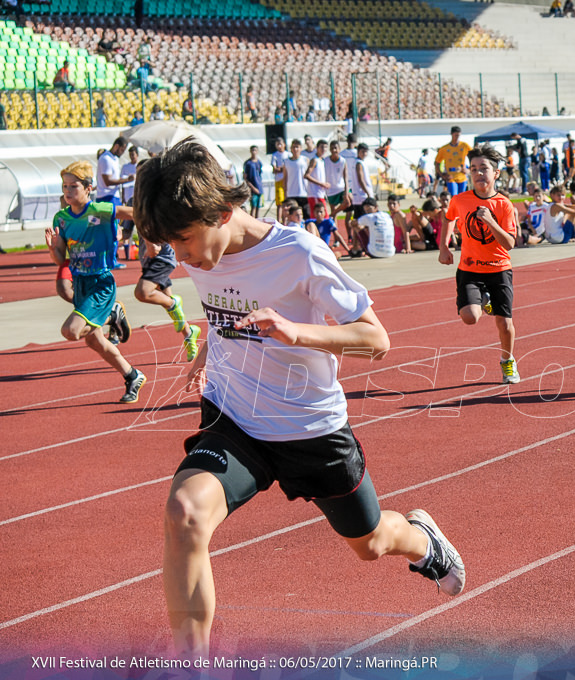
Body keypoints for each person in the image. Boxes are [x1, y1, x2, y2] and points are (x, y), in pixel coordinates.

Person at [132, 139, 465, 658]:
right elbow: (226, 304)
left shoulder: (299, 253)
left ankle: (422, 540)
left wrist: (296, 332)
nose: (183, 257)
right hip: (234, 415)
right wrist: (211, 345)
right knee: (186, 513)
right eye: (173, 246)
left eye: (186, 241)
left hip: (309, 427)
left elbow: (376, 340)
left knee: (371, 544)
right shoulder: (200, 249)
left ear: (223, 212)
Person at [47, 160, 146, 402]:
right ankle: (133, 376)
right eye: (65, 186)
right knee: (94, 340)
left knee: (70, 331)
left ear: (88, 188)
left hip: (101, 282)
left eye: (74, 186)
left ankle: (112, 313)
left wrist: (123, 232)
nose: (68, 191)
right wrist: (52, 248)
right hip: (80, 283)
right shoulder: (61, 219)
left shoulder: (101, 210)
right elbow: (61, 258)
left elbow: (134, 214)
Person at [438, 145, 520, 384]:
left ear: (496, 173)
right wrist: (444, 246)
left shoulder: (504, 205)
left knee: (505, 324)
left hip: (499, 269)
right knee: (470, 317)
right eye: (473, 169)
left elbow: (509, 243)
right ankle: (484, 300)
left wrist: (490, 221)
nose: (478, 173)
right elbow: (448, 217)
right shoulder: (460, 200)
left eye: (484, 168)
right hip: (470, 269)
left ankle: (508, 361)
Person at [135, 233, 202, 361]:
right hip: (148, 258)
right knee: (168, 303)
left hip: (162, 256)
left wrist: (178, 249)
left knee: (143, 292)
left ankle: (173, 303)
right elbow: (125, 228)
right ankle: (189, 332)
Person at [97, 136, 133, 268]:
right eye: (122, 149)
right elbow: (108, 181)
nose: (123, 152)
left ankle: (111, 258)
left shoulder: (113, 159)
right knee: (111, 230)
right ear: (117, 146)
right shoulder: (106, 159)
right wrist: (126, 180)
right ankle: (110, 260)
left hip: (113, 197)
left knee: (115, 229)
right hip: (108, 197)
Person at [434, 126, 472, 196]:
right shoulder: (444, 148)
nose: (457, 137)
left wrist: (469, 169)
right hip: (451, 176)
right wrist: (441, 174)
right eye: (456, 135)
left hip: (462, 175)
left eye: (458, 135)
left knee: (462, 197)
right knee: (454, 196)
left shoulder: (464, 146)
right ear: (451, 134)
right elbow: (437, 162)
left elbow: (473, 156)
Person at [282, 138, 309, 218]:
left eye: (297, 147)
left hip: (304, 193)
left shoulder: (305, 160)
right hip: (291, 193)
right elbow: (285, 178)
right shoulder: (286, 162)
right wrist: (285, 193)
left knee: (305, 216)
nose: (295, 149)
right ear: (291, 149)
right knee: (292, 217)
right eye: (293, 147)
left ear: (300, 148)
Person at [242, 145, 263, 217]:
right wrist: (252, 188)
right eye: (252, 150)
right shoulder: (248, 163)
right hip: (252, 188)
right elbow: (245, 177)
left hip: (259, 187)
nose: (254, 152)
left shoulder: (259, 162)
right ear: (250, 151)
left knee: (258, 207)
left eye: (255, 150)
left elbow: (259, 174)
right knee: (253, 207)